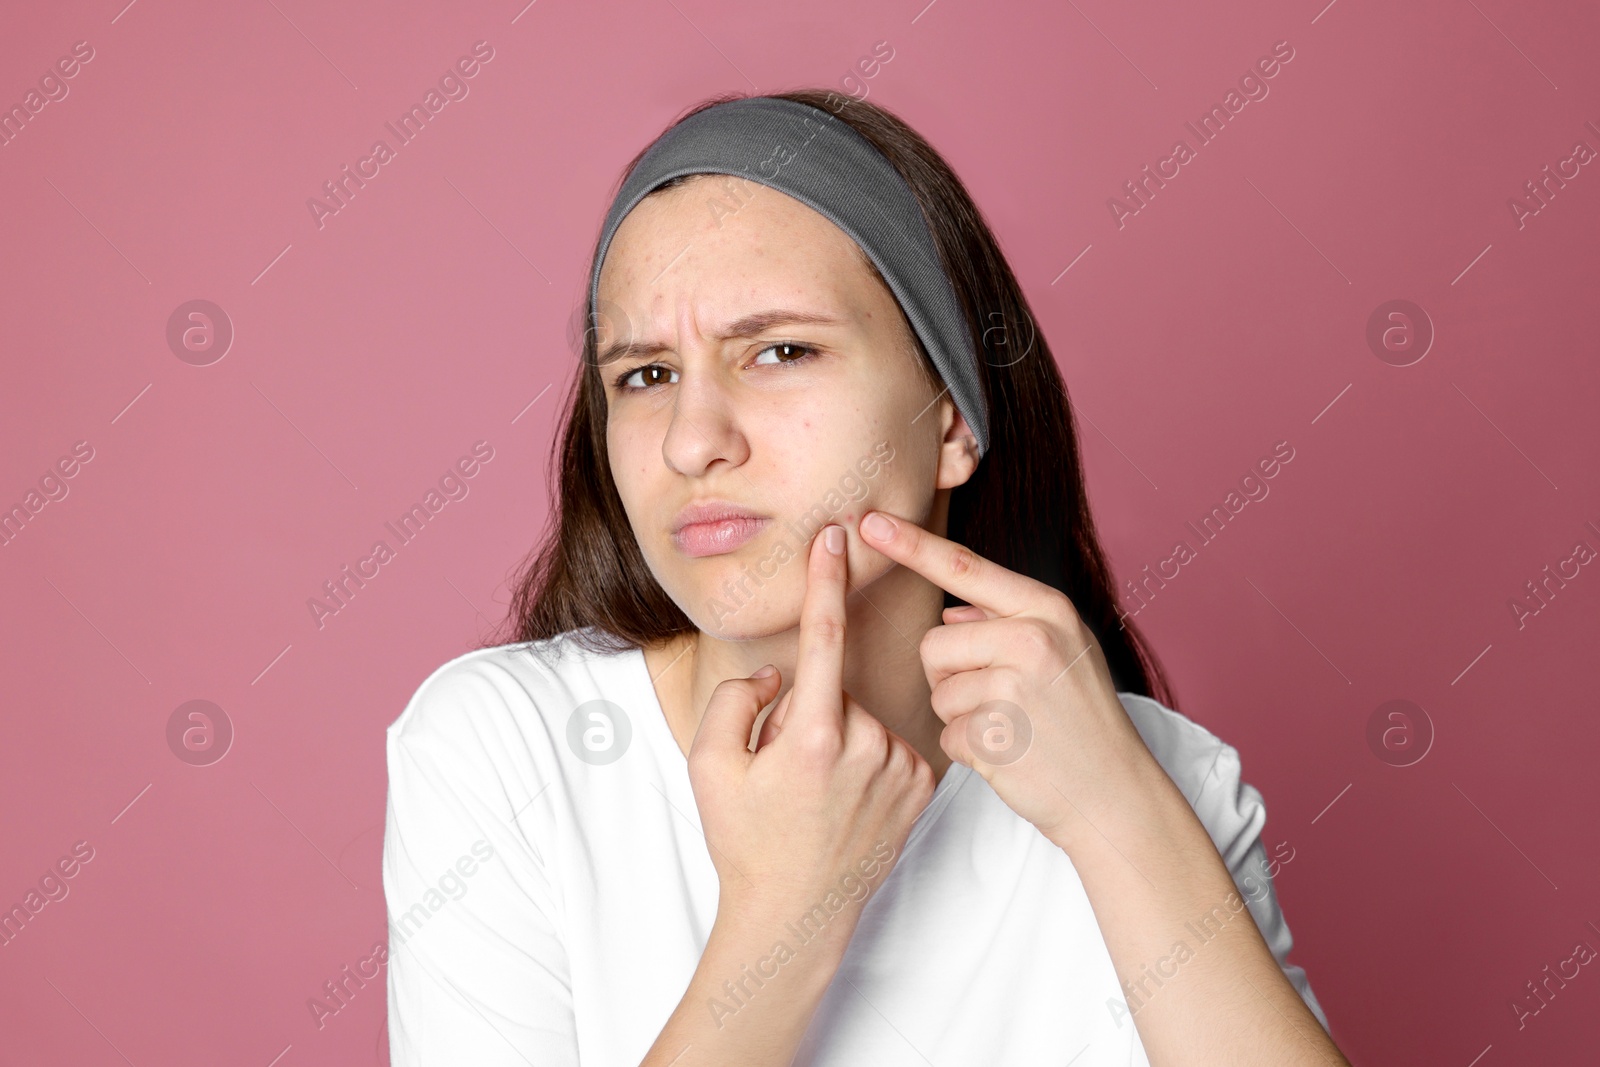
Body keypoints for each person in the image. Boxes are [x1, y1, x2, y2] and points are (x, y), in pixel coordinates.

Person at [381, 89, 1350, 1066]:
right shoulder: (501, 752)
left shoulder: (1163, 775)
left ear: (952, 420)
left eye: (779, 350)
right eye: (645, 375)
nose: (691, 441)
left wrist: (1118, 812)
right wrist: (782, 911)